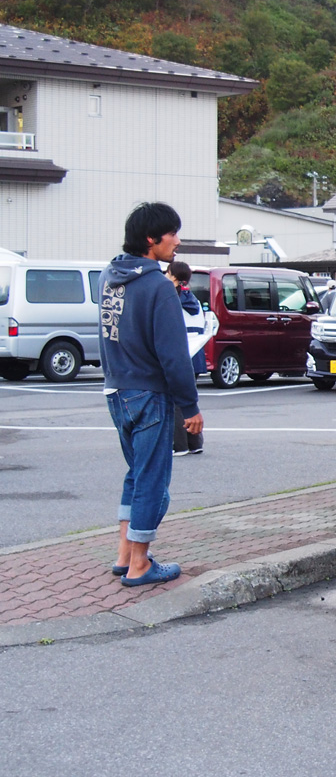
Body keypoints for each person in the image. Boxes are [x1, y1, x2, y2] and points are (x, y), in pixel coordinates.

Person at [99, 202, 203, 587]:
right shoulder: (158, 287)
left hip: (116, 389)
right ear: (151, 239)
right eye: (172, 233)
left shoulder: (108, 278)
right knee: (153, 480)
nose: (177, 241)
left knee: (135, 474)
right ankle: (140, 563)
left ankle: (124, 554)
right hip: (149, 394)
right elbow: (174, 355)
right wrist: (190, 406)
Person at [167, 260, 205, 456]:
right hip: (197, 352)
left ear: (173, 275)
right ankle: (195, 442)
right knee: (189, 398)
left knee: (175, 401)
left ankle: (178, 444)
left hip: (181, 352)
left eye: (167, 272)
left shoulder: (171, 297)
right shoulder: (193, 298)